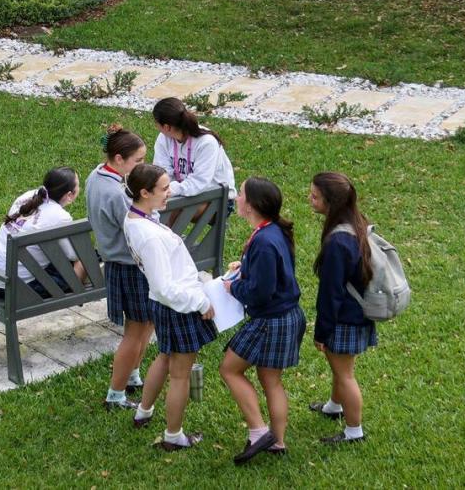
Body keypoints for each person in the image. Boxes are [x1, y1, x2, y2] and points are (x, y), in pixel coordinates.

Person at [123, 164, 217, 451]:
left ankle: (144, 411)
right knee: (179, 374)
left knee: (164, 358)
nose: (170, 192)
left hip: (164, 306)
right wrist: (201, 301)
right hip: (176, 305)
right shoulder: (150, 237)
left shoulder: (139, 217)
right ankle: (173, 436)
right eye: (164, 188)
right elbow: (164, 286)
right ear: (144, 192)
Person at [220, 177, 306, 465]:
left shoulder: (265, 241)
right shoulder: (272, 232)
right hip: (287, 316)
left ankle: (259, 432)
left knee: (230, 369)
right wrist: (244, 267)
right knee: (271, 381)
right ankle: (277, 442)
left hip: (271, 320)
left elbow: (260, 292)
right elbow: (271, 273)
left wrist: (233, 287)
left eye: (241, 194)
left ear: (252, 205)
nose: (237, 197)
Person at [308, 172, 377, 445]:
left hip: (344, 318)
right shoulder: (356, 224)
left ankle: (353, 431)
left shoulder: (338, 242)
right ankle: (334, 406)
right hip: (357, 314)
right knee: (340, 368)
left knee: (345, 374)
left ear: (332, 202)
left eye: (315, 196)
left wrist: (321, 333)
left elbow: (331, 294)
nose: (310, 200)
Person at [85, 124, 150, 409]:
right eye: (138, 160)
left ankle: (133, 376)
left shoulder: (96, 176)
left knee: (146, 324)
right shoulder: (115, 193)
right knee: (134, 333)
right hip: (129, 267)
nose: (142, 166)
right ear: (119, 159)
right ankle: (116, 395)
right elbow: (137, 229)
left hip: (121, 264)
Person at [0, 167, 86, 297]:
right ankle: (78, 297)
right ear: (69, 195)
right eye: (78, 186)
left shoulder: (29, 195)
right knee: (84, 260)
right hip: (15, 287)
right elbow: (73, 255)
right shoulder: (60, 216)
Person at [152, 97, 236, 218]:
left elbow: (199, 182)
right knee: (151, 203)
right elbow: (162, 172)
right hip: (183, 193)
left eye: (156, 123)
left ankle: (167, 237)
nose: (156, 127)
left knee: (167, 208)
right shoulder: (164, 138)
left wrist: (168, 190)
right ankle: (164, 235)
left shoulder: (206, 142)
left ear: (167, 127)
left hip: (217, 199)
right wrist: (162, 190)